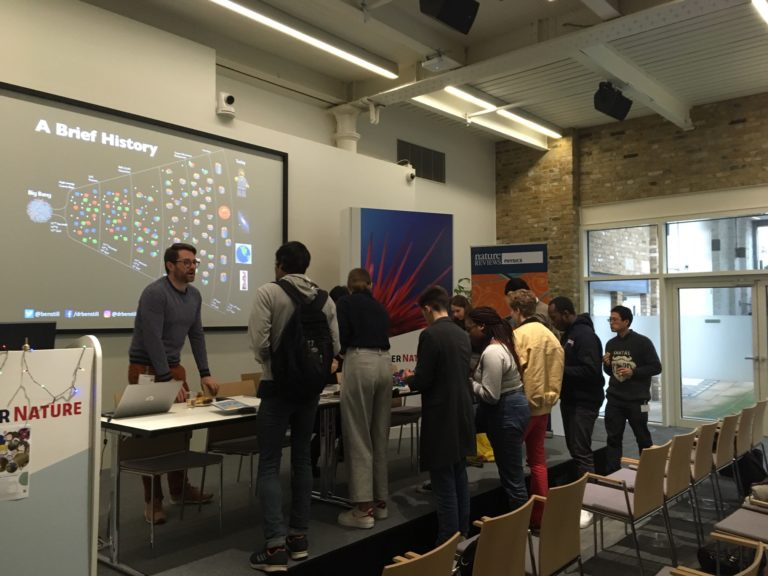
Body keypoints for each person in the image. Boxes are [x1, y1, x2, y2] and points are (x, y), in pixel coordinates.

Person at [247, 241, 340, 573]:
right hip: (311, 391)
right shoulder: (325, 298)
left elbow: (259, 342)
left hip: (276, 387)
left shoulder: (268, 293)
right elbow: (335, 346)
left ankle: (274, 548)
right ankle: (298, 539)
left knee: (270, 464)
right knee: (302, 457)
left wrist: (277, 366)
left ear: (280, 264)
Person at [128, 242, 219, 525]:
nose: (192, 267)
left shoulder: (194, 296)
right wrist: (166, 379)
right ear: (170, 265)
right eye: (186, 262)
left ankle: (180, 490)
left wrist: (205, 372)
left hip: (173, 369)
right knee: (150, 437)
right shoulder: (155, 293)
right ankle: (152, 501)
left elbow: (197, 335)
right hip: (146, 368)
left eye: (195, 263)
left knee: (182, 430)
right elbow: (153, 338)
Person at [406, 285, 475, 544]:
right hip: (462, 411)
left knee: (443, 481)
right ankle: (463, 534)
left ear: (427, 308)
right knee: (459, 475)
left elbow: (424, 378)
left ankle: (447, 542)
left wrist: (405, 382)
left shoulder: (431, 335)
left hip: (441, 414)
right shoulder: (461, 334)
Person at [336, 268, 391, 529]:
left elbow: (341, 338)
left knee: (358, 435)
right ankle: (380, 503)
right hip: (384, 363)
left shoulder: (344, 303)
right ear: (370, 284)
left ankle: (362, 509)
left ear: (348, 287)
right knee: (379, 433)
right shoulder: (379, 306)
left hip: (360, 360)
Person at [507, 289, 563, 527]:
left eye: (511, 309)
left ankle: (518, 519)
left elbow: (511, 371)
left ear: (518, 310)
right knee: (538, 462)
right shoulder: (551, 336)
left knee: (512, 465)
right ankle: (539, 515)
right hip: (544, 408)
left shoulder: (518, 335)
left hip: (522, 407)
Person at [547, 296, 604, 528]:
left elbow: (591, 371)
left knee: (581, 450)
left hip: (585, 401)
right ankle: (582, 496)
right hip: (572, 400)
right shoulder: (569, 334)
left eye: (554, 317)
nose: (553, 322)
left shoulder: (585, 336)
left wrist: (559, 370)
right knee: (575, 448)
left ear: (566, 313)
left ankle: (589, 503)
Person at [467, 306, 530, 511]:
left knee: (513, 479)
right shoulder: (503, 345)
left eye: (470, 329)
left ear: (482, 326)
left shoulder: (493, 352)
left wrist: (470, 383)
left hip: (506, 412)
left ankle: (520, 533)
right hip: (512, 408)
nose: (469, 334)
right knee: (510, 473)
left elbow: (491, 396)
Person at [602, 305, 662, 473]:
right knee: (613, 438)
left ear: (626, 322)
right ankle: (612, 475)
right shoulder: (611, 344)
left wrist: (633, 372)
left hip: (638, 400)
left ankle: (649, 473)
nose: (611, 323)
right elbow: (610, 373)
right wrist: (606, 365)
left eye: (615, 319)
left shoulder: (642, 342)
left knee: (642, 437)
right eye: (610, 319)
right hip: (615, 399)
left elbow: (656, 367)